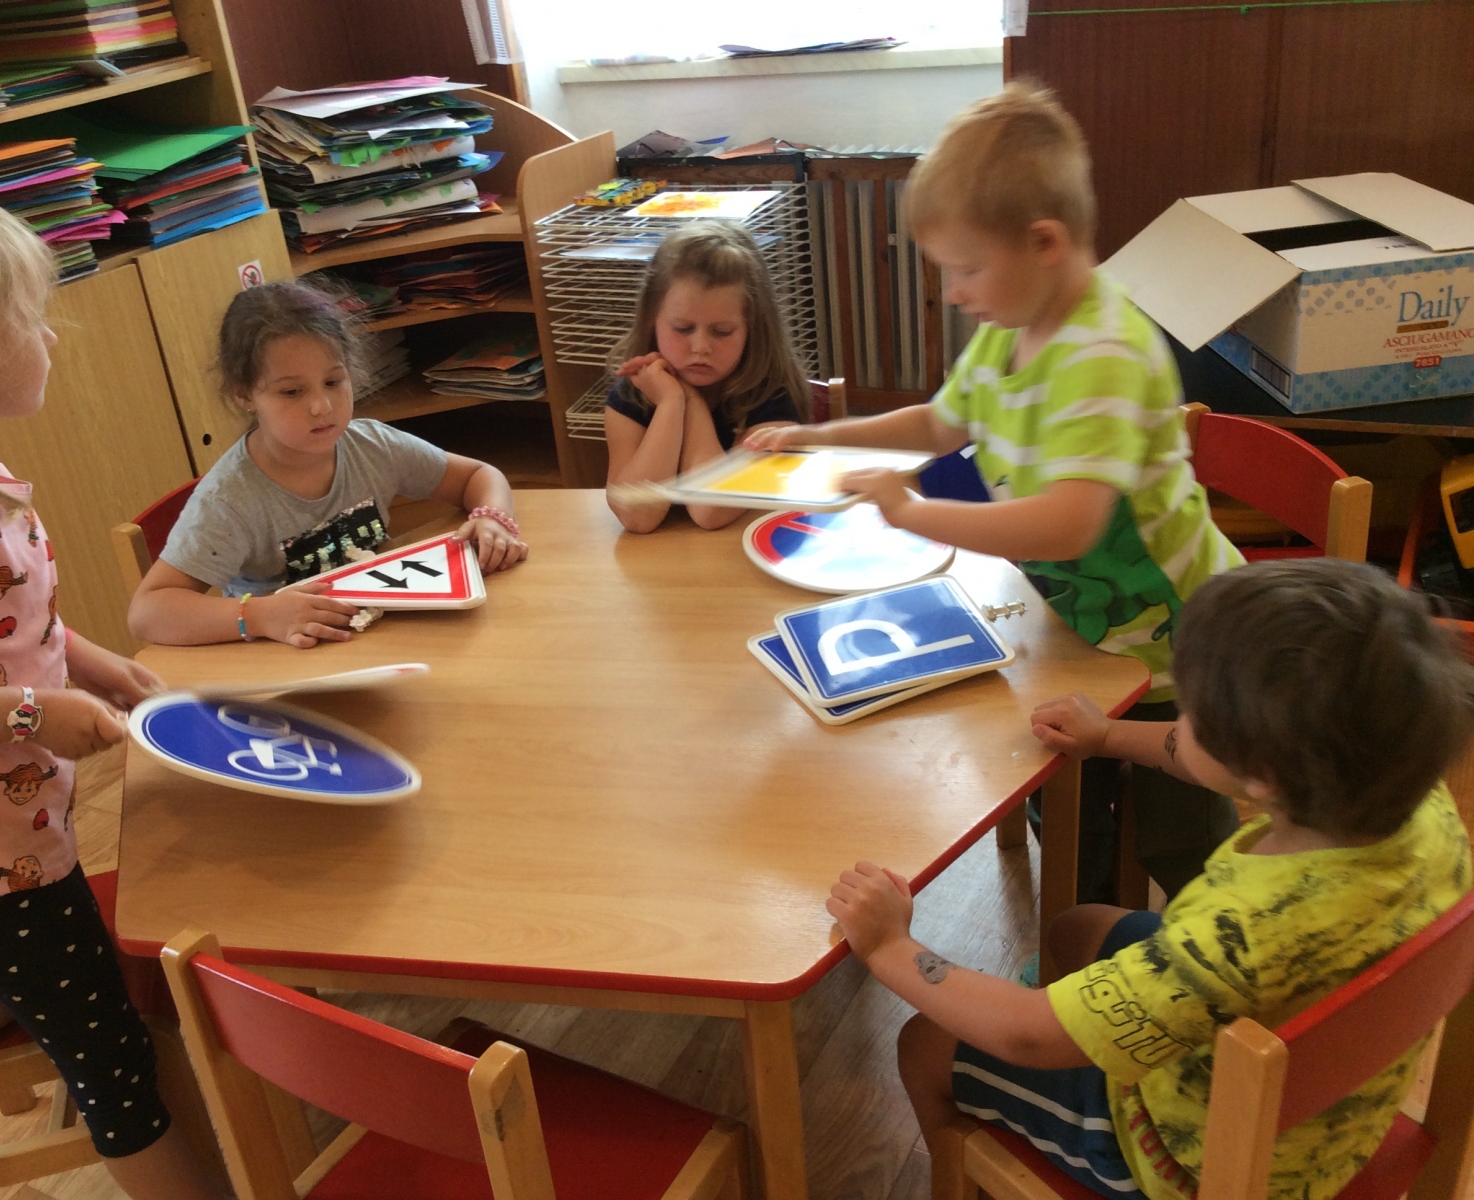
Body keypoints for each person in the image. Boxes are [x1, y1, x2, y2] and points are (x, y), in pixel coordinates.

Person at [828, 559, 1474, 1200]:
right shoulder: (1409, 801)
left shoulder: (1233, 940)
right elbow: (1218, 760)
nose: (1181, 722)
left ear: (1262, 774)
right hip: (1338, 1117)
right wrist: (1108, 735)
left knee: (925, 1044)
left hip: (1181, 1158)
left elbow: (1026, 1032)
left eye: (1191, 715)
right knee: (1076, 928)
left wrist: (890, 946)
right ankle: (1084, 1028)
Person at [750, 83, 1242, 905]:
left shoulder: (1102, 356)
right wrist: (819, 435)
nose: (952, 291)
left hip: (1171, 645)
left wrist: (911, 512)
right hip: (1080, 624)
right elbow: (940, 424)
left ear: (1044, 242)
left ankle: (1229, 954)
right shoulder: (1007, 331)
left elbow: (1068, 525)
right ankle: (1082, 936)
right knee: (1067, 801)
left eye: (966, 268)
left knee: (1179, 832)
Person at [0, 187, 219, 1199]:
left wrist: (95, 663)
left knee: (39, 961)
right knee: (116, 1069)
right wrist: (29, 714)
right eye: (38, 316)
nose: (54, 337)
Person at [129, 279, 528, 647]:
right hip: (287, 657)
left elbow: (478, 476)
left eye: (333, 382)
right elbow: (148, 613)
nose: (321, 406)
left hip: (377, 636)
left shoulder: (372, 446)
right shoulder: (228, 500)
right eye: (292, 392)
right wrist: (261, 616)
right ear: (244, 395)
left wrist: (492, 519)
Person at [605, 221, 810, 533]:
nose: (700, 347)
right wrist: (670, 403)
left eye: (722, 331)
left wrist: (688, 400)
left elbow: (711, 509)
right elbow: (636, 517)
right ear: (652, 321)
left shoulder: (773, 397)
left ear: (753, 330)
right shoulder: (631, 395)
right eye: (683, 328)